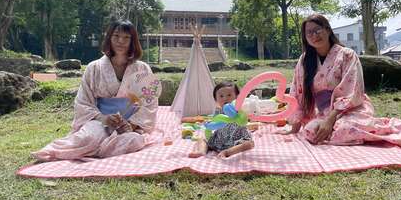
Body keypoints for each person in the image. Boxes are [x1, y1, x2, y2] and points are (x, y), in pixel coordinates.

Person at [279, 14, 401, 147]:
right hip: (322, 112)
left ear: (327, 30)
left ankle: (385, 127)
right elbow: (299, 92)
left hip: (349, 109)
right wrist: (295, 127)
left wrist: (330, 121)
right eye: (309, 32)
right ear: (305, 37)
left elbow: (352, 90)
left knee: (344, 130)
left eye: (317, 30)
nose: (314, 35)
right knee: (310, 132)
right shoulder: (304, 60)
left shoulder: (347, 55)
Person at [32, 20, 158, 161]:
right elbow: (83, 102)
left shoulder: (142, 69)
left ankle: (96, 151)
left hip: (129, 124)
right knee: (88, 137)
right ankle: (91, 149)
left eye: (126, 37)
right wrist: (103, 118)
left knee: (135, 141)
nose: (120, 41)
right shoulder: (94, 68)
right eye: (116, 36)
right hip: (99, 120)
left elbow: (149, 103)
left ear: (133, 41)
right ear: (109, 38)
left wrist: (132, 124)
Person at [189, 81, 254, 158]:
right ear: (216, 100)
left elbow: (244, 120)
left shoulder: (239, 109)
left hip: (237, 138)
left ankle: (227, 152)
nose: (225, 98)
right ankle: (201, 151)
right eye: (221, 96)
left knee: (248, 144)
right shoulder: (218, 111)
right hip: (220, 139)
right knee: (202, 139)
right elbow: (215, 122)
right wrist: (209, 124)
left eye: (229, 95)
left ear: (237, 97)